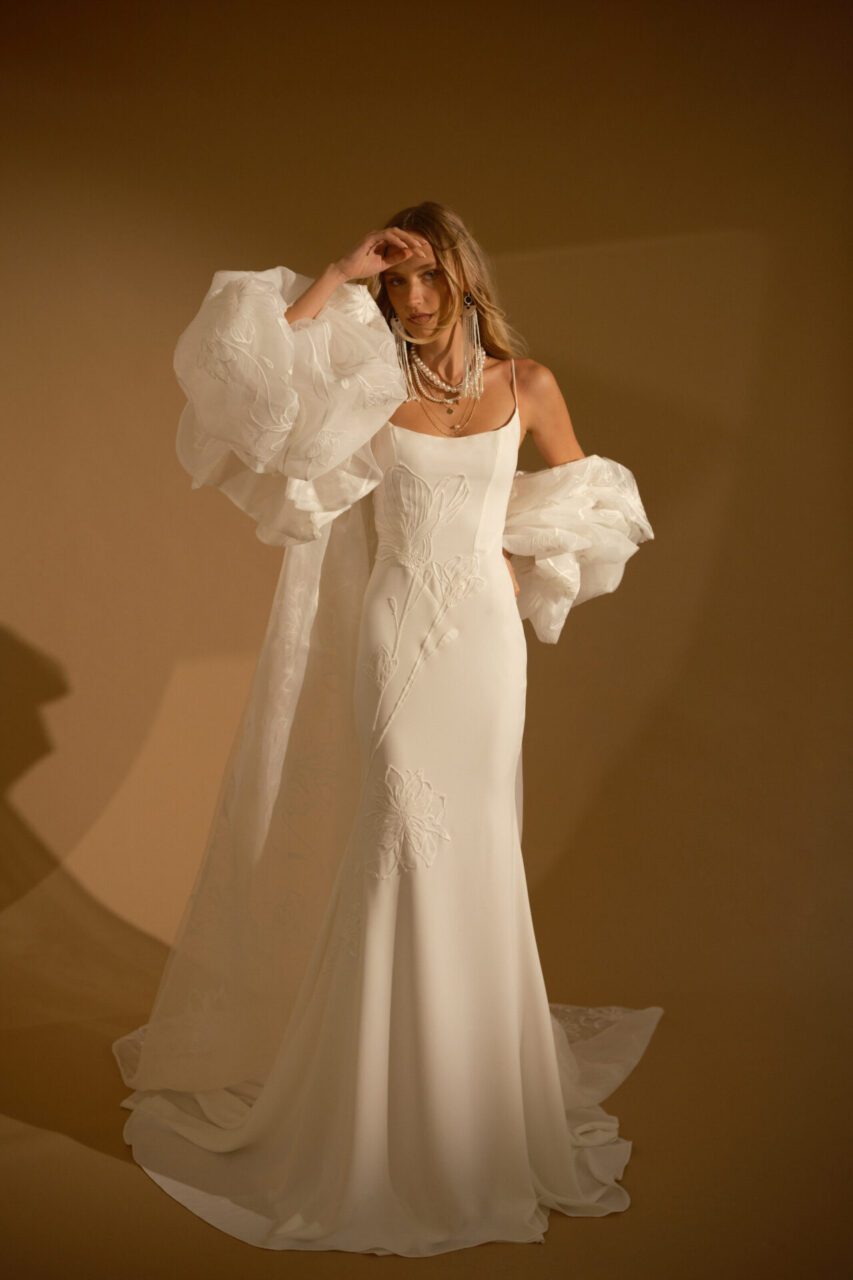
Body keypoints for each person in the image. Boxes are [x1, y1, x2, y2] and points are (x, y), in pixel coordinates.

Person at [112, 200, 664, 1257]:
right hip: (393, 636)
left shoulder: (526, 384)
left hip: (485, 649)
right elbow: (249, 389)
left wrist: (517, 552)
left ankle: (471, 1109)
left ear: (464, 281)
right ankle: (372, 1115)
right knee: (399, 837)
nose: (410, 302)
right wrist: (336, 270)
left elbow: (585, 501)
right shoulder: (366, 390)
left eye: (426, 281)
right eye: (393, 285)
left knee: (478, 853)